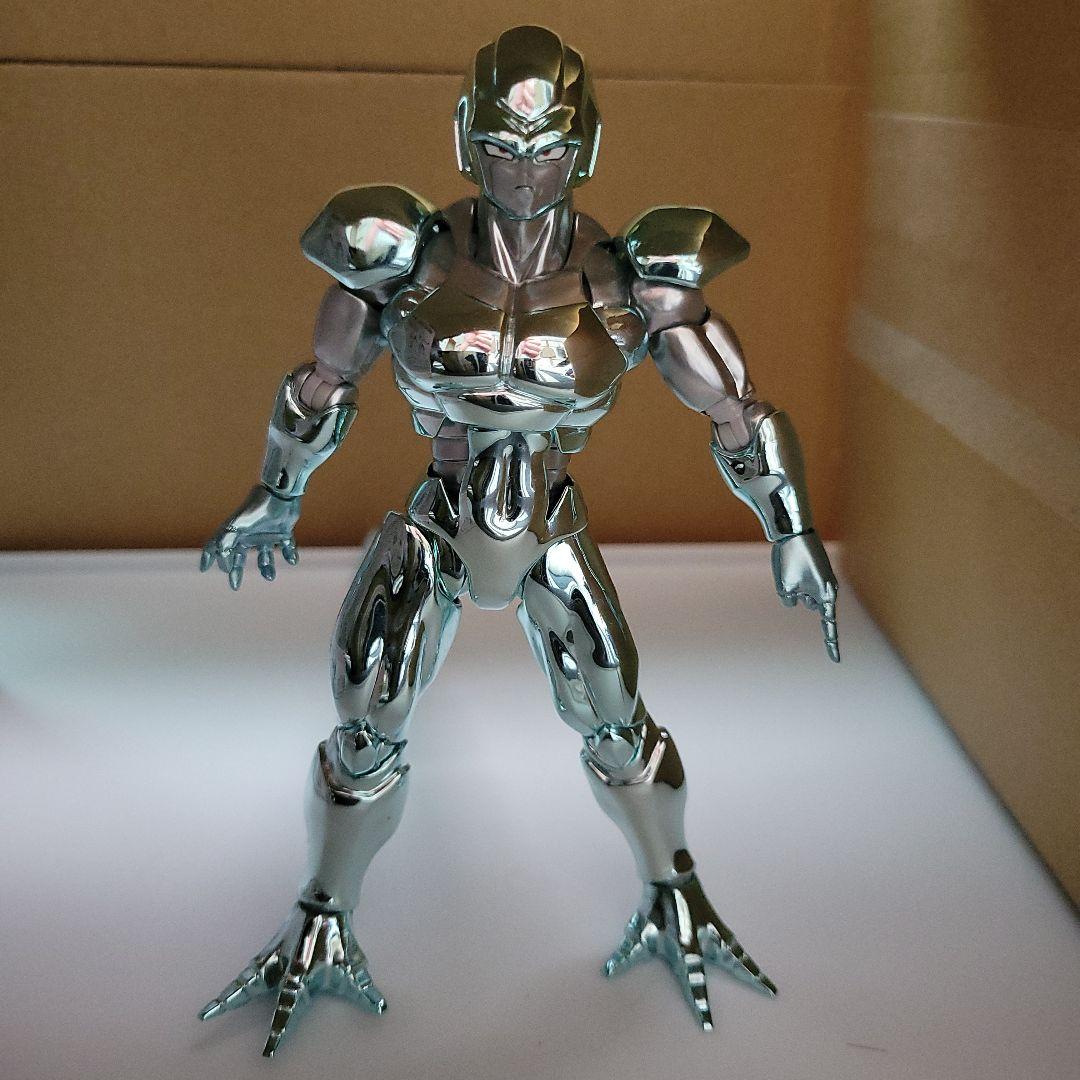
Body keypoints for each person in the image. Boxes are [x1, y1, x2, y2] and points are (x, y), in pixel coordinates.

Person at [198, 23, 839, 1057]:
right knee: (365, 727)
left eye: (548, 151)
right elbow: (323, 381)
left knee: (617, 721)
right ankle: (320, 916)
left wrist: (792, 527)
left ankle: (674, 889)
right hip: (441, 519)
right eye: (502, 147)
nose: (524, 172)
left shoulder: (636, 277)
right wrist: (275, 493)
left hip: (548, 523)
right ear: (465, 137)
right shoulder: (400, 255)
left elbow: (736, 409)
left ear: (587, 146)